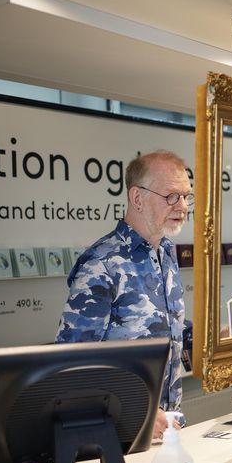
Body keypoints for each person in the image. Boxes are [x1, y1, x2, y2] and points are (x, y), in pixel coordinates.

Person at [56, 150, 193, 439]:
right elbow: (73, 364)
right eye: (171, 196)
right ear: (137, 198)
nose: (182, 206)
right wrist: (137, 408)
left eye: (186, 196)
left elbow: (165, 329)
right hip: (119, 436)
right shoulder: (100, 263)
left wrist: (214, 337)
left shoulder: (166, 252)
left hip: (170, 430)